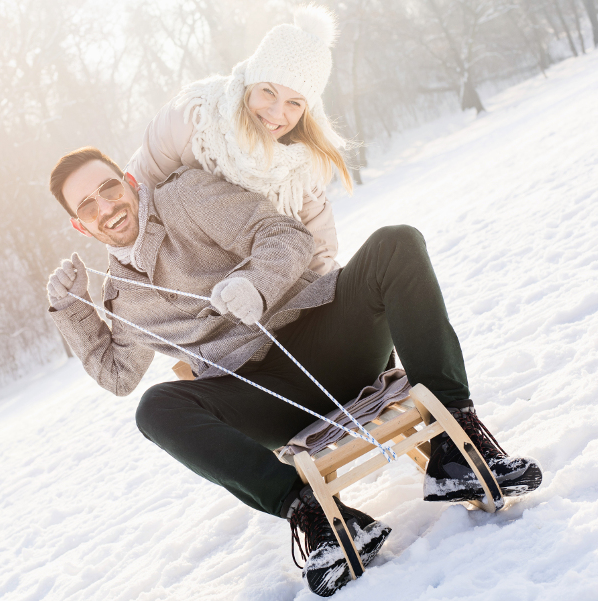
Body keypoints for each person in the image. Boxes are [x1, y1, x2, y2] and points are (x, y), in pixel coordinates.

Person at [44, 148, 543, 596]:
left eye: (108, 188)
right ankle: (317, 518)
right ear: (79, 226)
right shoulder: (118, 296)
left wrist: (256, 286)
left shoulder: (186, 198)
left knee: (396, 242)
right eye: (87, 205)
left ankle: (458, 447)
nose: (106, 207)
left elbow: (283, 234)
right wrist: (70, 308)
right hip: (261, 399)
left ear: (128, 182)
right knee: (155, 408)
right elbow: (117, 376)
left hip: (326, 340)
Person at [126, 5, 347, 277]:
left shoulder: (301, 161)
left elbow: (316, 246)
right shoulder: (194, 117)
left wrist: (325, 299)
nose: (277, 113)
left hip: (263, 284)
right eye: (268, 91)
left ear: (306, 110)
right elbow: (138, 192)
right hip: (188, 273)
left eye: (293, 103)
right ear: (250, 84)